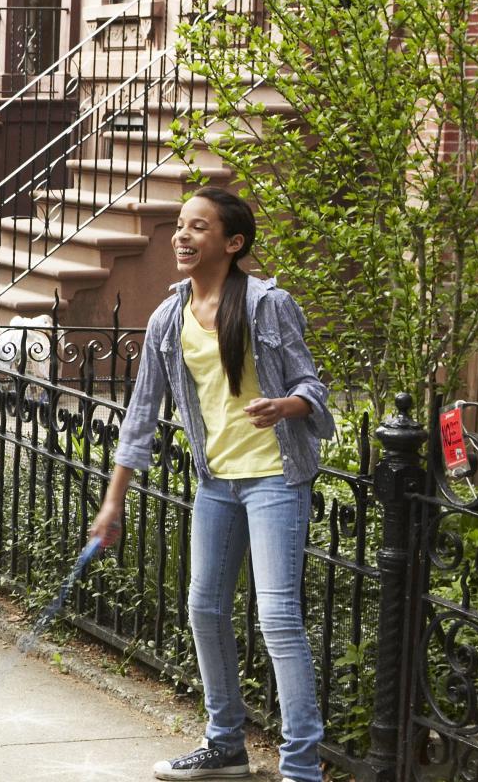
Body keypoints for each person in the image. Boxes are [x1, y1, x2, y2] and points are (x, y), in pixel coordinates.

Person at [88, 188, 334, 782]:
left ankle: (303, 768)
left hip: (275, 478)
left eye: (198, 227)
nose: (182, 235)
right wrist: (112, 502)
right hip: (217, 484)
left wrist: (289, 406)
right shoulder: (168, 318)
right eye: (179, 225)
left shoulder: (267, 306)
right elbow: (141, 415)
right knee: (204, 608)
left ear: (232, 242)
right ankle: (226, 745)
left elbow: (313, 386)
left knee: (277, 618)